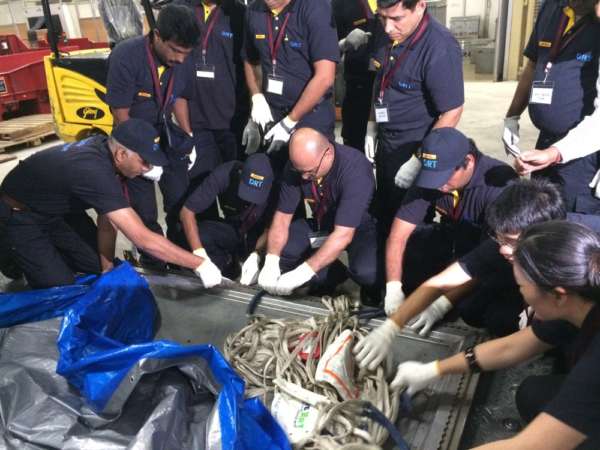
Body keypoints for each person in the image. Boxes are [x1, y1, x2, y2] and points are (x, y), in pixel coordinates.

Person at [386, 221, 600, 450]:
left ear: (558, 295)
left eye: (522, 286)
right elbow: (511, 347)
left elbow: (525, 446)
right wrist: (435, 369)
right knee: (532, 394)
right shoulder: (579, 297)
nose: (522, 295)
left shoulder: (594, 365)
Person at [354, 178, 600, 371]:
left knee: (557, 376)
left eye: (512, 242)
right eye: (499, 238)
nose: (503, 248)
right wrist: (391, 326)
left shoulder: (583, 257)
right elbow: (441, 282)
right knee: (486, 315)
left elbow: (512, 349)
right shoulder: (515, 243)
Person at [0, 119, 222, 289]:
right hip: (20, 213)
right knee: (60, 286)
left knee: (96, 267)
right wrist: (198, 263)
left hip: (59, 210)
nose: (147, 169)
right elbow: (142, 239)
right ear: (121, 154)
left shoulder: (106, 151)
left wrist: (106, 269)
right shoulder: (94, 171)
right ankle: (9, 255)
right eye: (144, 162)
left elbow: (108, 220)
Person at [383, 128, 516, 317]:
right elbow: (398, 235)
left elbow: (490, 255)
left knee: (473, 311)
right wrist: (393, 288)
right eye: (432, 177)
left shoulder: (499, 185)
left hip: (489, 251)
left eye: (444, 177)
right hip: (452, 237)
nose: (437, 184)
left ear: (468, 162)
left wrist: (443, 304)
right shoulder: (431, 175)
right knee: (405, 271)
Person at [105, 4, 200, 266]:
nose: (181, 59)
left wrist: (188, 136)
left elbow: (180, 98)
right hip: (133, 142)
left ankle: (182, 259)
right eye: (176, 51)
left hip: (166, 137)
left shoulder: (183, 58)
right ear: (157, 35)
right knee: (145, 212)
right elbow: (120, 114)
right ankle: (154, 263)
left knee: (179, 202)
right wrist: (140, 162)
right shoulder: (126, 56)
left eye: (186, 53)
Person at [366, 0, 464, 231]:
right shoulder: (387, 31)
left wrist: (420, 158)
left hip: (415, 146)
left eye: (396, 18)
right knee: (386, 210)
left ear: (420, 5)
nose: (388, 27)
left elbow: (452, 110)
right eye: (382, 17)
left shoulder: (440, 46)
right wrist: (371, 125)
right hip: (387, 142)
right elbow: (379, 81)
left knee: (410, 223)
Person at [256, 127, 380, 299]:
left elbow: (343, 235)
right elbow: (282, 218)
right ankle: (333, 272)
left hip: (357, 225)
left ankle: (368, 288)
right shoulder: (299, 166)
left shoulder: (355, 169)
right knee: (283, 252)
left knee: (367, 272)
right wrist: (271, 259)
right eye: (300, 172)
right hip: (323, 221)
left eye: (310, 172)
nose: (305, 177)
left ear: (328, 153)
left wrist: (303, 272)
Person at [162, 0, 248, 242]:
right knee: (200, 191)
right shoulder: (180, 10)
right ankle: (209, 246)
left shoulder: (238, 12)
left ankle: (237, 246)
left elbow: (250, 63)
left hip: (233, 123)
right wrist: (186, 132)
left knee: (235, 192)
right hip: (195, 124)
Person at [503, 0, 600, 214]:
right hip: (546, 140)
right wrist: (511, 117)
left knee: (570, 226)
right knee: (540, 213)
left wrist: (555, 153)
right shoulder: (551, 8)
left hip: (583, 154)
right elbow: (532, 65)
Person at [241, 0, 339, 167]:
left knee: (307, 180)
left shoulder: (315, 8)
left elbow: (325, 77)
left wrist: (289, 122)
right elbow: (251, 60)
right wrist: (256, 97)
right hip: (272, 115)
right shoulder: (254, 10)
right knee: (272, 180)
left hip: (310, 118)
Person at [178, 154, 275, 282]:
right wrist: (199, 254)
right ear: (240, 173)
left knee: (286, 250)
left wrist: (256, 254)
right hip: (233, 228)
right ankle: (229, 269)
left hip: (260, 235)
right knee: (193, 236)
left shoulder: (278, 188)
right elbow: (187, 211)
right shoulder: (225, 173)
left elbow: (274, 228)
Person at [333, 0, 377, 152]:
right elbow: (328, 47)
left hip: (392, 87)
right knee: (353, 142)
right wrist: (344, 44)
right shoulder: (341, 4)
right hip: (358, 84)